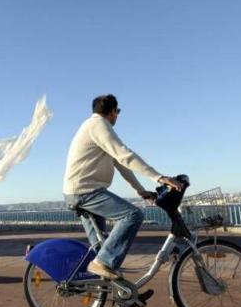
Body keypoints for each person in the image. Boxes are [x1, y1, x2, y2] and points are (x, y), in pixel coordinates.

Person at [63, 94, 184, 281]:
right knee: (133, 215)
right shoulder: (98, 125)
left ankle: (109, 290)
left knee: (102, 249)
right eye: (117, 111)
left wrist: (141, 190)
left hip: (80, 191)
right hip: (85, 192)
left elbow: (121, 164)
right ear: (112, 112)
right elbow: (124, 155)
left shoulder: (94, 127)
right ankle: (102, 264)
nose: (117, 116)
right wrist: (158, 177)